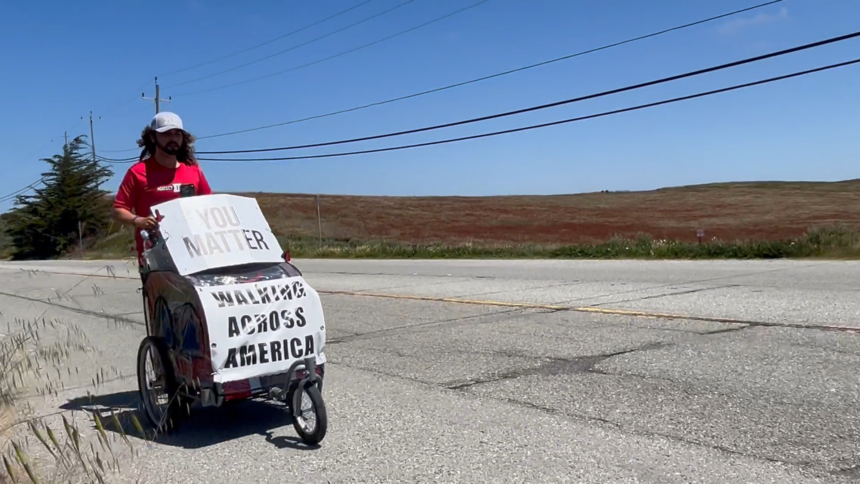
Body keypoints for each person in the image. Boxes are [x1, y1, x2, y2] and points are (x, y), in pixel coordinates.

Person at [112, 112, 213, 279]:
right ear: (152, 137)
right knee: (162, 304)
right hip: (155, 257)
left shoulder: (193, 170)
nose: (173, 138)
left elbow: (208, 203)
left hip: (193, 253)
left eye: (177, 134)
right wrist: (138, 221)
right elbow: (118, 210)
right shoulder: (138, 172)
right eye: (166, 134)